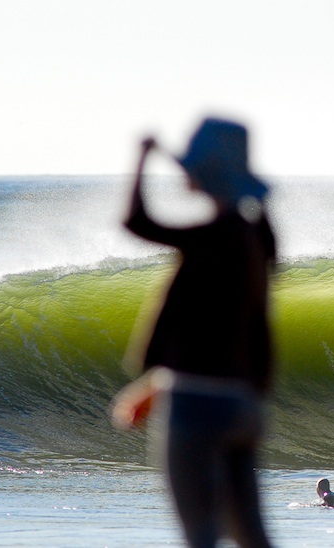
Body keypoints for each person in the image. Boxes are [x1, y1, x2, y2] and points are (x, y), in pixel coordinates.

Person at [111, 117, 276, 548]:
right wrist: (157, 382)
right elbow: (218, 327)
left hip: (197, 407)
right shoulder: (256, 237)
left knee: (200, 535)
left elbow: (136, 222)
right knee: (251, 536)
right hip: (242, 405)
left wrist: (143, 156)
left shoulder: (216, 235)